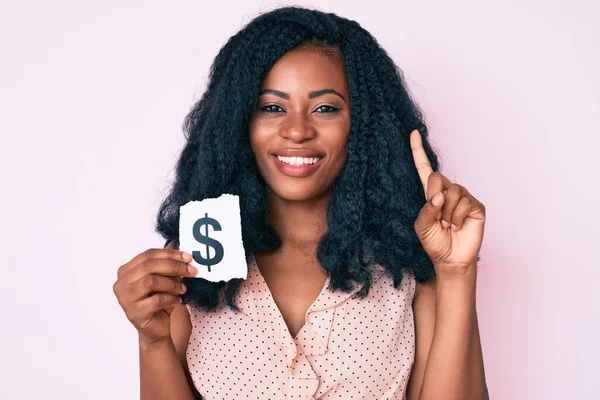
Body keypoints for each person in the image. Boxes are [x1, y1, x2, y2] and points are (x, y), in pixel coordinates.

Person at [113, 6, 488, 400]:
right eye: (272, 107)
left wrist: (457, 272)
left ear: (361, 125)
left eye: (325, 108)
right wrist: (152, 342)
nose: (296, 130)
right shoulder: (192, 263)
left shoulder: (407, 265)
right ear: (239, 122)